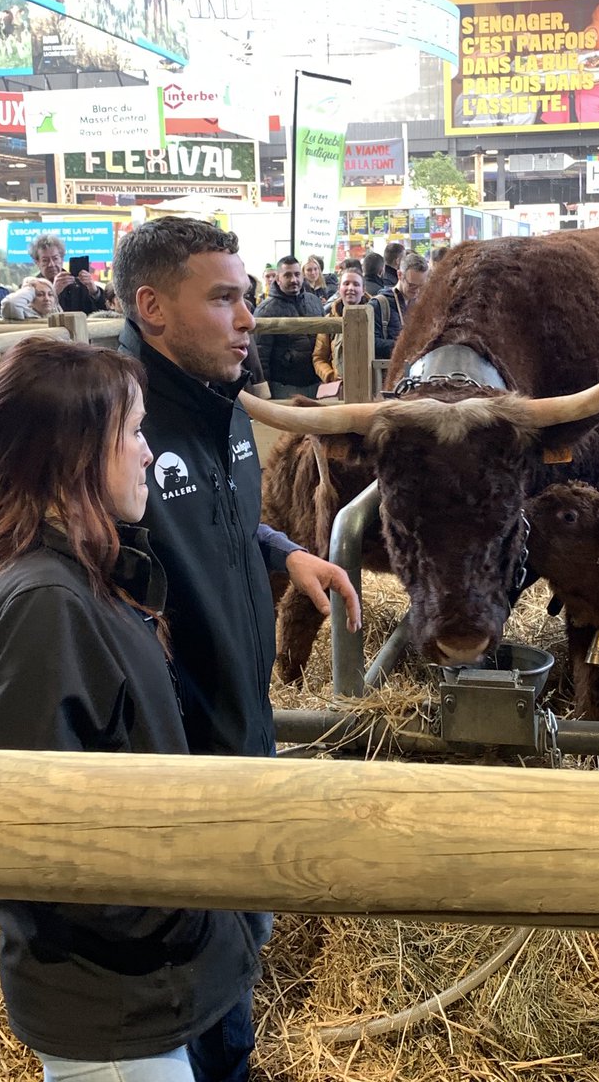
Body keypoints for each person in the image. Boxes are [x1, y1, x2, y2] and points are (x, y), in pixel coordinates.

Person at [0, 338, 261, 1081]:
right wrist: (183, 914)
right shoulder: (45, 605)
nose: (149, 453)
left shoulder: (82, 575)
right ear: (75, 453)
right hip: (117, 1007)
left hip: (141, 986)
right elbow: (37, 839)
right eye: (133, 432)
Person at [113, 217, 360, 1082]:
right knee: (193, 966)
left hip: (241, 731)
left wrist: (280, 550)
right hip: (173, 768)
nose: (248, 317)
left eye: (248, 296)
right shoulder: (116, 426)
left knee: (239, 945)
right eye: (223, 298)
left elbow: (208, 511)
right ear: (152, 307)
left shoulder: (224, 404)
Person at [254, 254, 325, 398]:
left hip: (317, 383)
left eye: (297, 274)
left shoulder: (314, 302)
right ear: (278, 278)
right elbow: (261, 357)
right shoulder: (266, 310)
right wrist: (265, 395)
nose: (294, 280)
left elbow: (325, 342)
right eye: (287, 275)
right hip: (284, 387)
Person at [313, 263, 367, 387]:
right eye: (346, 283)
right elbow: (319, 357)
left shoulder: (376, 316)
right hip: (339, 388)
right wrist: (331, 376)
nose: (351, 288)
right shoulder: (329, 320)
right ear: (339, 288)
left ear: (363, 290)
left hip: (369, 386)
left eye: (356, 284)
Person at [371, 252, 429, 361]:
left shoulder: (423, 304)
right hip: (388, 371)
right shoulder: (379, 304)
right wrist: (406, 345)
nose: (417, 291)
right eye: (412, 285)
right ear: (399, 275)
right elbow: (371, 342)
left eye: (421, 286)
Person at [28, 233, 105, 315]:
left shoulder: (79, 284)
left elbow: (102, 313)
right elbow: (30, 315)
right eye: (45, 260)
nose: (52, 264)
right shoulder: (30, 287)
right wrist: (53, 293)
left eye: (55, 258)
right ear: (37, 262)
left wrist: (94, 292)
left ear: (62, 259)